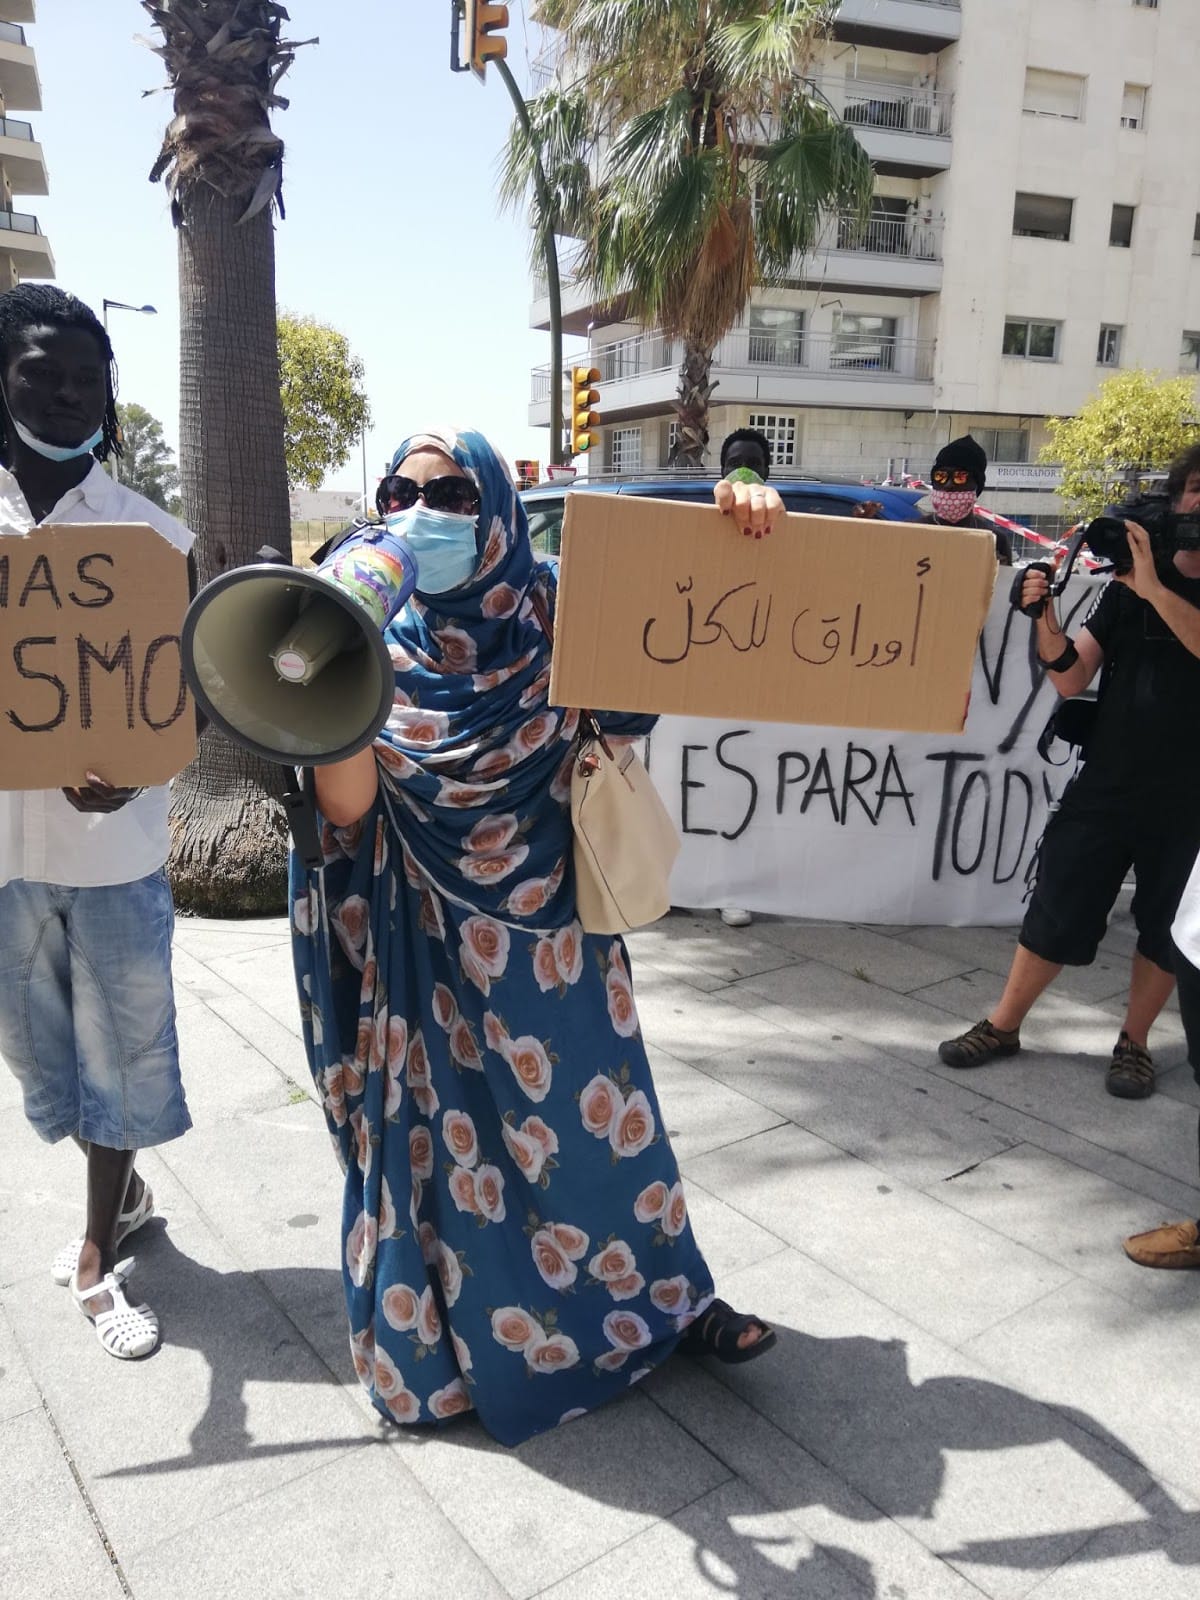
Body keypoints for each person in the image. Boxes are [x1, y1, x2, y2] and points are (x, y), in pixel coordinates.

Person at [290, 428, 780, 1447]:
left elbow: (674, 650)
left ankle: (664, 1307)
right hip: (425, 946)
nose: (424, 507)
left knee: (605, 1137)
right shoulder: (369, 624)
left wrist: (740, 522)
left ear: (501, 505)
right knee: (444, 1157)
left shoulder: (566, 607)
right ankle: (462, 1348)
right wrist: (328, 663)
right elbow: (346, 807)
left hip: (557, 934)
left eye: (453, 488)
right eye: (401, 489)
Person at [0, 285, 196, 1359]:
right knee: (39, 1061)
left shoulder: (154, 539)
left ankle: (94, 1248)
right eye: (43, 371)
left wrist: (133, 765)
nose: (69, 392)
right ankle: (117, 1193)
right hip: (1, 859)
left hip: (114, 857)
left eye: (88, 377)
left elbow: (191, 698)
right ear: (3, 378)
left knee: (117, 1052)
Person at [938, 445, 1200, 1100]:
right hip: (1108, 782)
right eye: (1197, 488)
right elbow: (1071, 673)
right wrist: (1045, 617)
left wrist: (1155, 588)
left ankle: (1134, 1043)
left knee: (1165, 925)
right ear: (1175, 499)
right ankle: (1003, 1025)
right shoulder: (1127, 586)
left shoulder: (1151, 584)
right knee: (1057, 902)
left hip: (1190, 798)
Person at [714, 426, 773, 928]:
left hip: (760, 685)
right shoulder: (701, 520)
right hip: (710, 681)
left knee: (746, 793)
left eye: (753, 460)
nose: (744, 467)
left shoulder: (784, 522)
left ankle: (738, 887)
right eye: (735, 460)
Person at [924, 435, 1012, 565]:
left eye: (960, 477)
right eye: (940, 476)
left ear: (977, 485)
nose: (948, 485)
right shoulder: (912, 532)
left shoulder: (994, 540)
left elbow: (1005, 584)